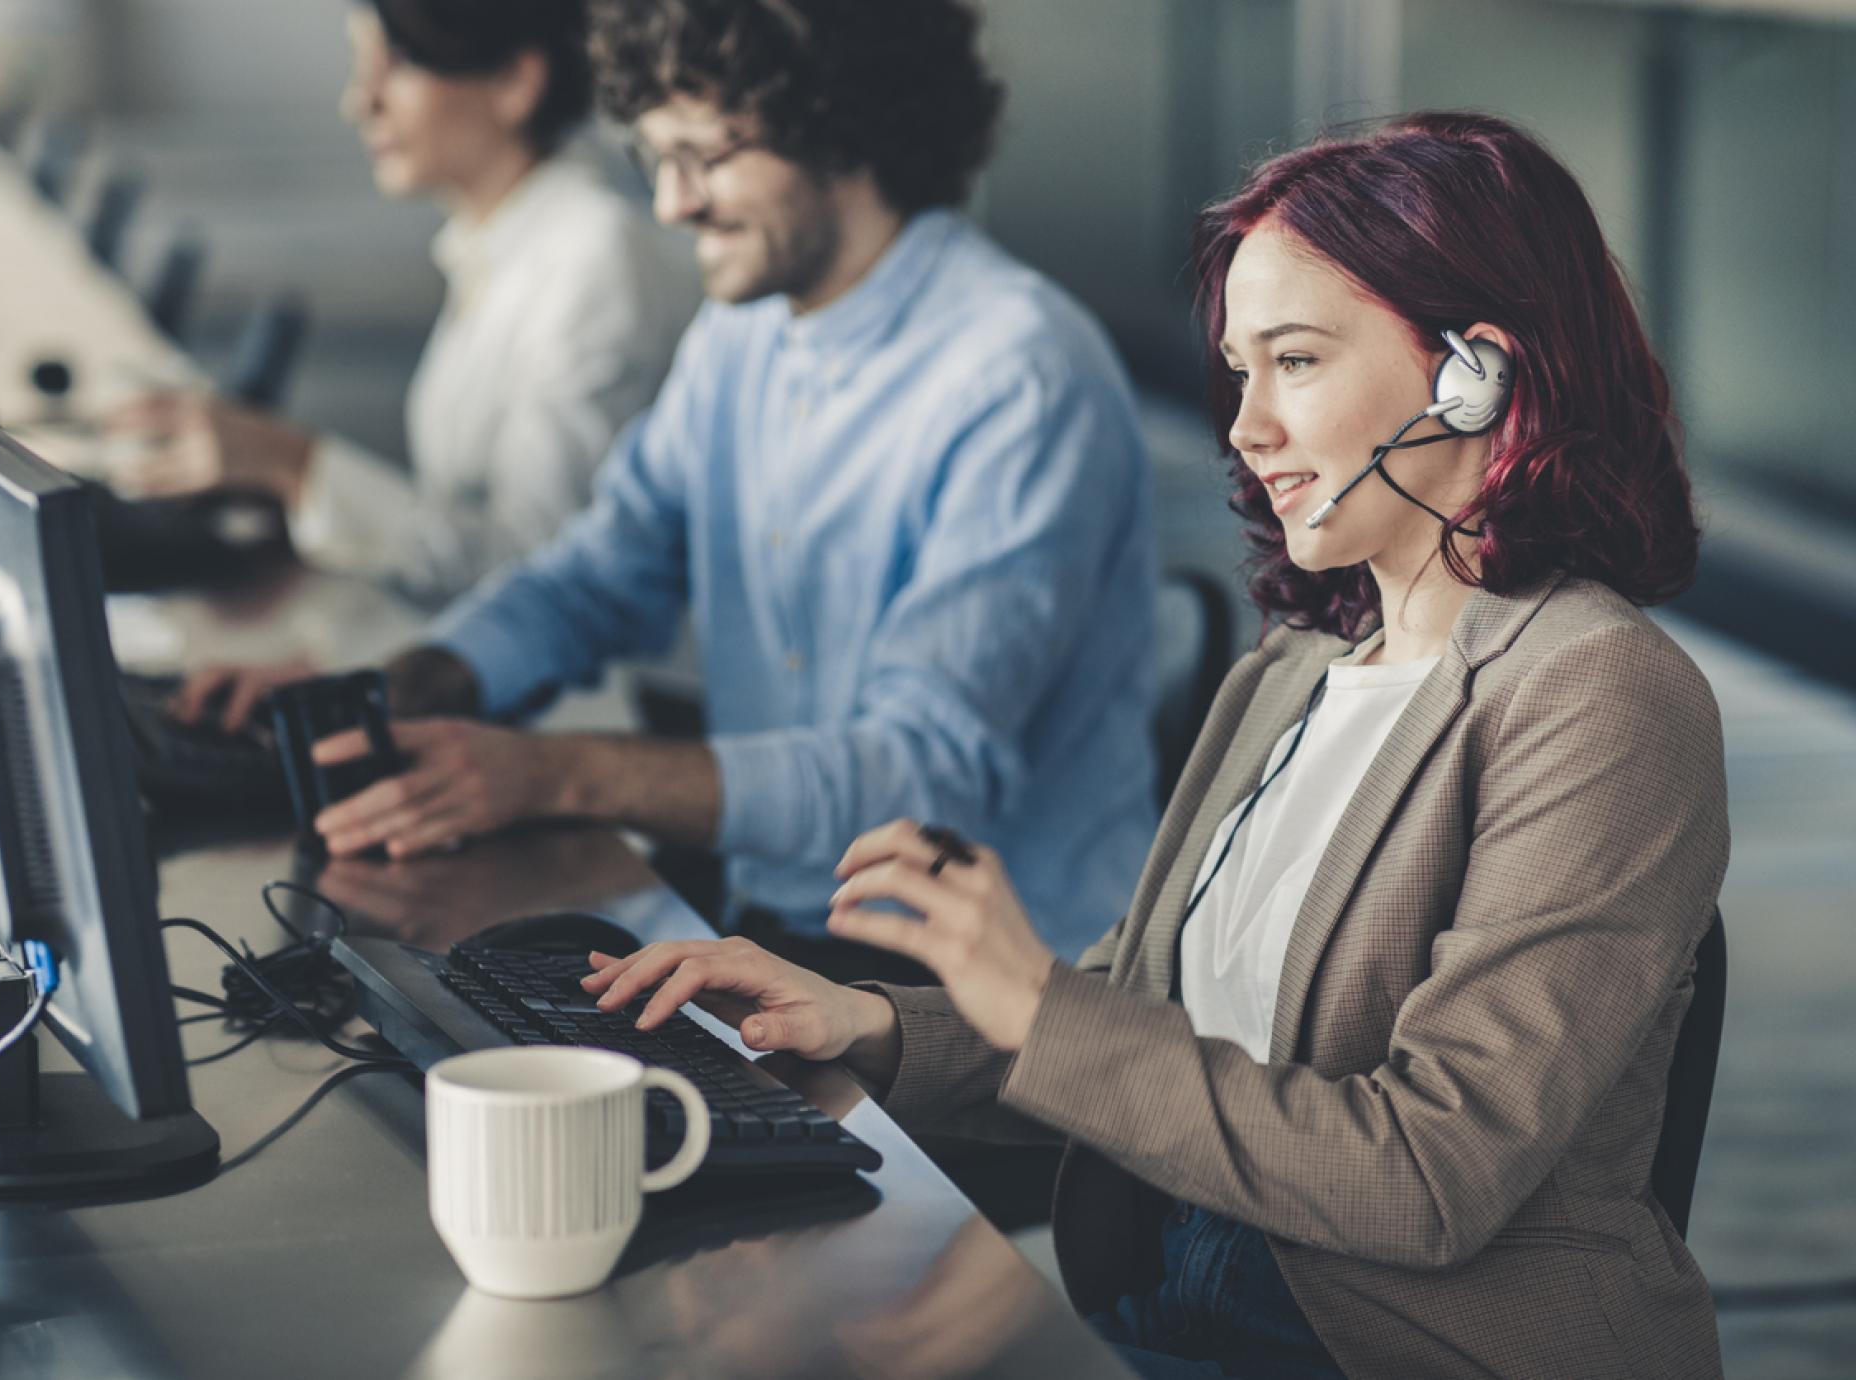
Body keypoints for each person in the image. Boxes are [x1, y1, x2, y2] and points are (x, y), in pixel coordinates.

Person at [579, 113, 1730, 1380]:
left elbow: (1427, 1175)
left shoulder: (1598, 697)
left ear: (1479, 376)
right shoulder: (1292, 671)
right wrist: (863, 1021)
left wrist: (1033, 1001)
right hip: (1177, 1312)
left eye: (1292, 361)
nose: (1243, 426)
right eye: (1239, 371)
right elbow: (1127, 1020)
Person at [182, 0, 1160, 970]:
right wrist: (395, 692)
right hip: (785, 923)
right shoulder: (745, 333)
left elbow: (916, 777)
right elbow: (596, 577)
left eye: (707, 157)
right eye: (659, 160)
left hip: (988, 996)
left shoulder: (1017, 375)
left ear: (846, 124)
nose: (672, 204)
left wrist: (552, 776)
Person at [109, 0, 698, 604]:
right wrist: (279, 481)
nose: (360, 101)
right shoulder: (496, 242)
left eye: (397, 65)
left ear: (516, 82)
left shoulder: (595, 261)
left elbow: (542, 573)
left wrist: (302, 467)